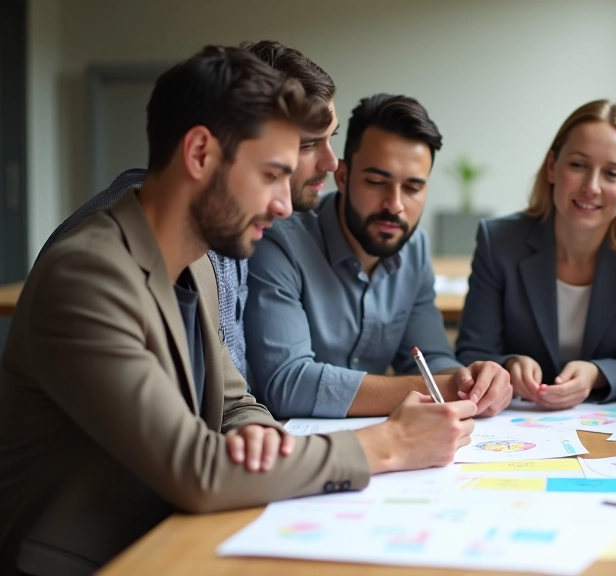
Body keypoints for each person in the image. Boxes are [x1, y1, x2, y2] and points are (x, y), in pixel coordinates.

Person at [0, 46, 477, 575]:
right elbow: (197, 469)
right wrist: (389, 444)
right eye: (271, 174)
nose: (281, 203)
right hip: (100, 558)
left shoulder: (198, 261)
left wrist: (261, 435)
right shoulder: (87, 276)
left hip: (179, 531)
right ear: (201, 154)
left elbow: (234, 403)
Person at [39, 40, 342, 382]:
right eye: (309, 144)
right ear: (200, 153)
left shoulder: (223, 230)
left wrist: (259, 432)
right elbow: (173, 433)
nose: (332, 163)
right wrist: (386, 437)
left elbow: (228, 397)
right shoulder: (98, 268)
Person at [244, 94, 513, 419]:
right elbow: (287, 384)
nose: (395, 205)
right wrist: (441, 387)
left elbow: (431, 357)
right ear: (342, 177)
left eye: (413, 188)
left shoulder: (414, 248)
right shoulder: (279, 240)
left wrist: (474, 381)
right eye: (376, 182)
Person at [456, 100, 616, 409]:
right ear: (552, 167)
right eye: (578, 165)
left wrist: (597, 374)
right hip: (513, 420)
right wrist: (508, 364)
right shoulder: (498, 241)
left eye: (612, 173)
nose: (591, 187)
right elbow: (472, 352)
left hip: (612, 423)